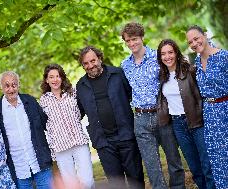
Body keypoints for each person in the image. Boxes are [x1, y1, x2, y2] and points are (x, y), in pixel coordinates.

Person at [120, 22, 185, 189]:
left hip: (162, 114)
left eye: (134, 39)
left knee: (173, 159)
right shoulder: (124, 65)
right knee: (152, 166)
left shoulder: (158, 57)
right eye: (128, 41)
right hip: (140, 119)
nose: (131, 43)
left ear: (142, 37)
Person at [76, 46, 145, 189]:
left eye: (93, 61)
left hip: (126, 135)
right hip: (103, 142)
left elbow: (130, 95)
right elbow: (79, 112)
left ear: (100, 58)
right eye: (86, 63)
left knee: (136, 179)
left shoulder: (118, 74)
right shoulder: (81, 86)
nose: (90, 66)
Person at [156, 39, 216, 189]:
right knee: (195, 168)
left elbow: (202, 94)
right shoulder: (161, 77)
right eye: (163, 54)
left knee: (207, 165)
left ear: (176, 53)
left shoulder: (190, 70)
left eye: (170, 52)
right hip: (178, 125)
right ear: (160, 57)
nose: (167, 56)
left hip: (197, 122)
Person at [0, 71, 53, 189]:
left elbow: (48, 124)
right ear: (1, 88)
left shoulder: (30, 101)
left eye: (14, 85)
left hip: (40, 162)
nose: (11, 89)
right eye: (7, 86)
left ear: (18, 85)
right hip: (17, 168)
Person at [39, 64, 94, 189]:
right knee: (70, 183)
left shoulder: (73, 93)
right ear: (46, 80)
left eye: (58, 76)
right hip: (60, 147)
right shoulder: (43, 100)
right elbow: (45, 123)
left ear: (62, 78)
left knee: (87, 180)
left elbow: (80, 112)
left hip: (79, 142)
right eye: (51, 77)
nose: (55, 80)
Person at [186, 25, 228, 189]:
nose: (194, 43)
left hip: (225, 110)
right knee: (216, 159)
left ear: (204, 35)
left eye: (196, 38)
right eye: (190, 42)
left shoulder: (224, 57)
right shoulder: (196, 62)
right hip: (209, 114)